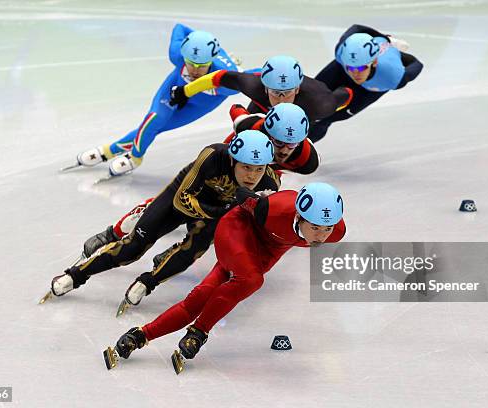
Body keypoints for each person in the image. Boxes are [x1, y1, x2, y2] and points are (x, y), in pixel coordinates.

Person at [73, 103, 319, 311]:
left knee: (213, 230)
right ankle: (114, 232)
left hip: (248, 181)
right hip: (221, 171)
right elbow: (234, 106)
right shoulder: (248, 129)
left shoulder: (307, 160)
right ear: (267, 132)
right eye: (278, 143)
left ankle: (167, 259)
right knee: (162, 208)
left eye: (293, 144)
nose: (285, 150)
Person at [105, 182, 346, 372]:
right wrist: (254, 195)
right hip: (236, 231)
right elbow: (242, 195)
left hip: (264, 252)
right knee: (251, 280)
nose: (322, 235)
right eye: (315, 227)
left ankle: (139, 335)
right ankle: (199, 332)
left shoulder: (336, 232)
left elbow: (321, 230)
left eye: (327, 228)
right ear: (299, 217)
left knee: (201, 298)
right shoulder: (272, 208)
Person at [42, 131, 280, 303]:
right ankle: (75, 275)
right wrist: (220, 212)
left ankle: (148, 282)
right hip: (183, 197)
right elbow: (182, 199)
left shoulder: (269, 185)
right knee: (132, 250)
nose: (252, 175)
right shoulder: (213, 156)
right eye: (246, 167)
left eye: (258, 169)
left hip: (213, 213)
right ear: (232, 160)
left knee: (190, 253)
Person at [69, 23, 243, 178]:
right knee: (154, 120)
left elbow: (253, 79)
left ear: (212, 61)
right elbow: (180, 27)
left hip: (201, 103)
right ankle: (135, 157)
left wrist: (236, 72)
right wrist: (197, 39)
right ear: (184, 56)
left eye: (202, 66)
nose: (195, 70)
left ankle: (108, 151)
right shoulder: (177, 54)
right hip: (174, 86)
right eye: (190, 63)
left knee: (159, 128)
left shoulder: (226, 79)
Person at [308, 24, 423, 142]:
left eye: (362, 68)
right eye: (352, 68)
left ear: (374, 62)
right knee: (310, 99)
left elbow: (417, 63)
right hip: (342, 70)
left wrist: (390, 44)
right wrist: (381, 36)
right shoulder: (341, 53)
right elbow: (356, 28)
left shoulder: (392, 77)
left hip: (369, 88)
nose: (356, 73)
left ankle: (299, 152)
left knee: (326, 118)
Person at [169, 55, 353, 123]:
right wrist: (185, 92)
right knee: (245, 130)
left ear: (296, 89)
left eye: (286, 92)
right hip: (261, 106)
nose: (280, 99)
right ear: (265, 89)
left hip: (306, 109)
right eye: (275, 92)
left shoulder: (320, 104)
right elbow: (217, 78)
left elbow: (346, 95)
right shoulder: (253, 85)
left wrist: (350, 87)